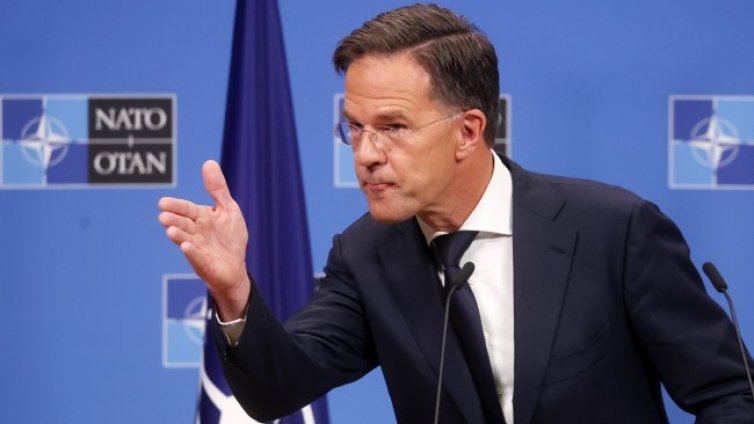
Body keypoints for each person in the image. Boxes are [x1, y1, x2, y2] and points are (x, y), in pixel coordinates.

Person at [158, 4, 754, 423]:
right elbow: (278, 389)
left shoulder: (612, 230)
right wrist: (233, 291)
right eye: (354, 128)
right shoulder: (366, 255)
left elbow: (730, 393)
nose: (365, 154)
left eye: (393, 127)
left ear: (468, 131)